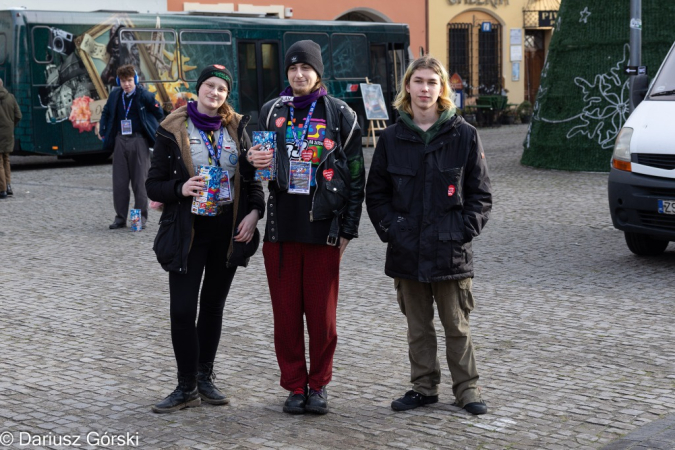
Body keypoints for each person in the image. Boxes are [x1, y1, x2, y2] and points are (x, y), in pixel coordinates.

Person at [365, 55, 492, 415]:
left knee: (457, 326)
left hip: (450, 251)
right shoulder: (391, 138)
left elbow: (481, 196)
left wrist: (461, 231)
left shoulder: (464, 134)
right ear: (407, 86)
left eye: (432, 82)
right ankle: (423, 388)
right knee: (418, 328)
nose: (424, 88)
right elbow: (376, 195)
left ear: (442, 89)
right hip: (406, 250)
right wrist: (393, 230)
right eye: (418, 81)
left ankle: (468, 390)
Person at [246, 40, 364, 415]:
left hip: (323, 231)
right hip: (281, 231)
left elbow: (357, 177)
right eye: (293, 69)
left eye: (306, 68)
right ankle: (296, 386)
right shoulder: (269, 112)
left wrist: (348, 229)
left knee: (322, 318)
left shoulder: (340, 114)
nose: (299, 74)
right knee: (285, 317)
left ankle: (320, 385)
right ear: (287, 73)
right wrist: (253, 159)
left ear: (317, 73)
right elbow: (254, 167)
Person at [145, 64, 264, 413]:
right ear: (198, 89)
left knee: (212, 307)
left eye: (222, 89)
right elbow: (153, 185)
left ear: (228, 94)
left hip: (226, 228)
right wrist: (180, 188)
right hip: (188, 228)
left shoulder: (237, 128)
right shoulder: (172, 129)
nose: (215, 93)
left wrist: (254, 215)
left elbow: (253, 180)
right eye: (210, 86)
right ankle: (185, 386)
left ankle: (204, 377)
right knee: (182, 309)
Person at [97, 64, 164, 229]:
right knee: (119, 183)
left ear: (134, 80)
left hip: (138, 141)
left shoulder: (144, 95)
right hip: (120, 140)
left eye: (129, 80)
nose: (126, 84)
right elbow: (106, 112)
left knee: (140, 182)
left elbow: (159, 112)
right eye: (123, 81)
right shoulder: (115, 95)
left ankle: (139, 218)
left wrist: (151, 126)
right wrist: (103, 128)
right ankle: (120, 218)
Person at [0, 78, 21, 199]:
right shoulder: (11, 97)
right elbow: (18, 115)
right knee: (6, 159)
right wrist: (11, 126)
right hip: (8, 133)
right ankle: (8, 186)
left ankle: (2, 190)